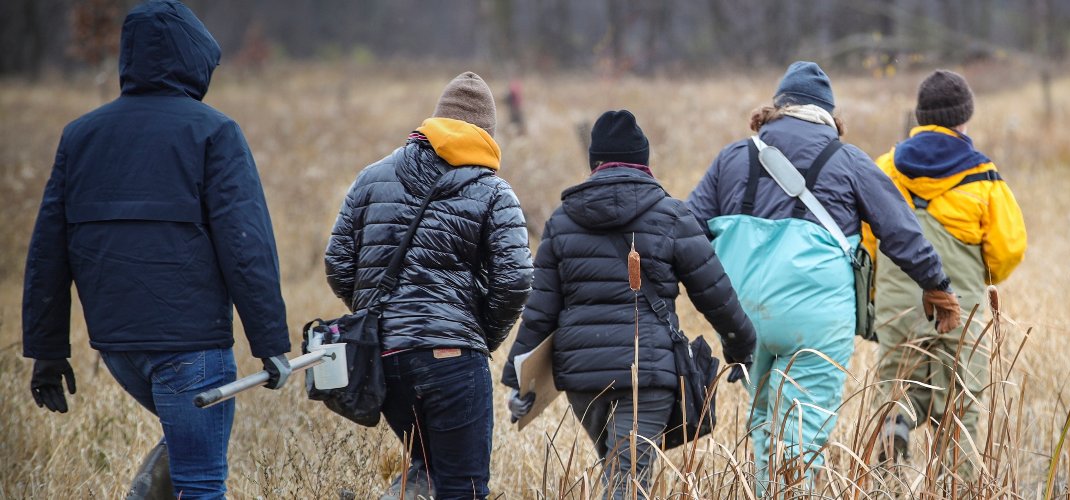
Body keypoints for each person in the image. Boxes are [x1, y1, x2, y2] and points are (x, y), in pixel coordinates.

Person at [21, 1, 292, 498]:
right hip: (192, 347)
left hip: (118, 345)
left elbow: (47, 251)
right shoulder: (215, 131)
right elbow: (245, 245)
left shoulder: (80, 136)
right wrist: (270, 343)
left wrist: (47, 351)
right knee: (201, 481)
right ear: (194, 58)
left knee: (184, 455)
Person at [685, 61, 963, 488]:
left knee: (763, 422)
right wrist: (936, 284)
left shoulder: (733, 157)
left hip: (742, 316)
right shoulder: (846, 159)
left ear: (778, 109)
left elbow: (687, 230)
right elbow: (898, 228)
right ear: (828, 116)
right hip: (815, 318)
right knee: (802, 426)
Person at [503, 110, 756, 500]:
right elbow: (716, 295)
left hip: (583, 378)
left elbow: (540, 311)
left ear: (595, 163)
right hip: (647, 374)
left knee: (619, 473)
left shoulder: (561, 221)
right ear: (644, 162)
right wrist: (742, 347)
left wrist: (519, 380)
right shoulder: (672, 215)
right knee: (626, 480)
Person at [324, 71, 532, 499]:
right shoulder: (493, 190)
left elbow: (338, 263)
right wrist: (478, 335)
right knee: (463, 487)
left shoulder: (371, 177)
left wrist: (381, 319)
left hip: (386, 361)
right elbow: (515, 280)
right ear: (486, 135)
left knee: (428, 472)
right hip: (453, 362)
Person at [864, 69, 1027, 478]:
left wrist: (875, 294)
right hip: (960, 305)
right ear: (964, 118)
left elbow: (865, 243)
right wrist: (981, 273)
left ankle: (893, 445)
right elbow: (1009, 250)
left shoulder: (885, 168)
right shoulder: (984, 176)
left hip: (896, 305)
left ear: (920, 117)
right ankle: (958, 485)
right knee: (960, 407)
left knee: (896, 388)